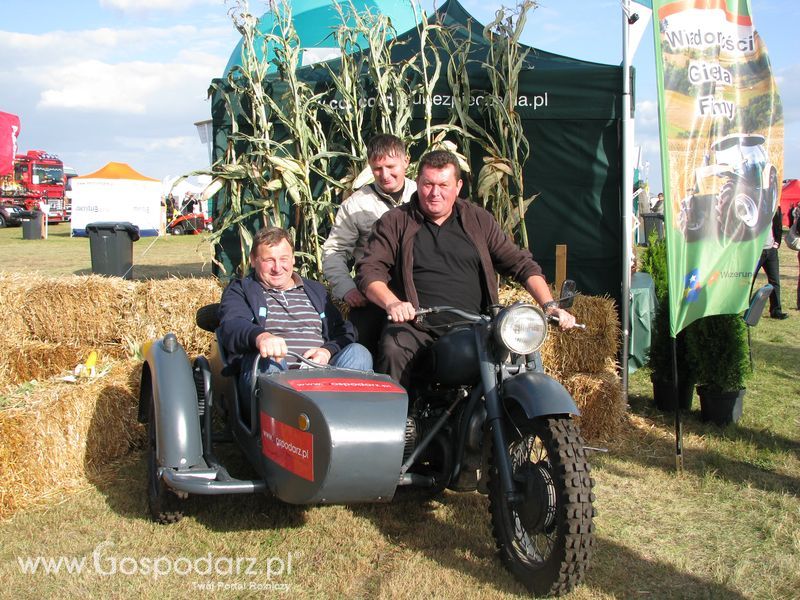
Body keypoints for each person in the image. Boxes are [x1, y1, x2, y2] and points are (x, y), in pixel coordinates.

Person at [356, 150, 576, 389]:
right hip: (415, 326)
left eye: (443, 184)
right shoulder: (395, 221)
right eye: (428, 184)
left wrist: (550, 306)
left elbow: (520, 263)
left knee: (509, 357)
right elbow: (370, 271)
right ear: (417, 182)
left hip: (475, 326)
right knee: (393, 347)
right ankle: (398, 421)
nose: (435, 193)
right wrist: (393, 303)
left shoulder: (477, 219)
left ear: (458, 186)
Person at [218, 227, 372, 394]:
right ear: (253, 260)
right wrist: (261, 337)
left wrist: (327, 351)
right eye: (269, 260)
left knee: (359, 354)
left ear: (293, 259)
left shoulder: (315, 291)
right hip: (274, 376)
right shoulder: (241, 290)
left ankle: (345, 416)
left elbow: (344, 330)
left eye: (284, 259)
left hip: (323, 378)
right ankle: (287, 416)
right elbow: (232, 325)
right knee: (269, 359)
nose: (277, 268)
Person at [322, 134, 416, 354]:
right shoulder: (355, 205)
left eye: (391, 166)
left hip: (418, 289)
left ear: (406, 161)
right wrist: (347, 289)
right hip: (373, 292)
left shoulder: (423, 194)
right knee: (359, 342)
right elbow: (334, 251)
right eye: (377, 169)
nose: (385, 175)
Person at [753, 207, 787, 320]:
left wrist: (777, 242)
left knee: (775, 281)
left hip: (771, 250)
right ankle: (743, 308)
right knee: (748, 281)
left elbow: (778, 224)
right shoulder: (754, 202)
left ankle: (776, 310)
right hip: (756, 251)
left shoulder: (774, 205)